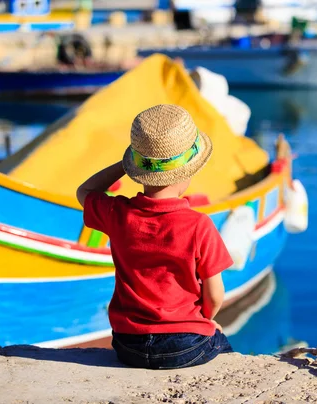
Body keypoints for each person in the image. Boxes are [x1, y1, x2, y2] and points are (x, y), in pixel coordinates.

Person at [76, 104, 234, 369]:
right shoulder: (199, 225)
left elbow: (86, 191)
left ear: (137, 171)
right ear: (190, 172)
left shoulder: (118, 213)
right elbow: (215, 295)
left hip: (129, 344)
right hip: (185, 343)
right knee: (226, 354)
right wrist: (205, 321)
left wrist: (126, 165)